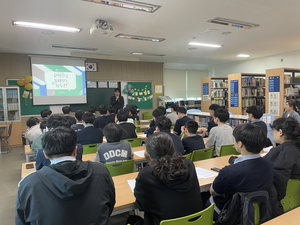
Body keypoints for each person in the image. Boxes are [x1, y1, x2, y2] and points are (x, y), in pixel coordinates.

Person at [16, 127, 115, 225]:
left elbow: (21, 221)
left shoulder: (28, 184)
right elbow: (109, 205)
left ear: (45, 154)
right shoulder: (101, 170)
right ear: (76, 150)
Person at [134, 132, 203, 225]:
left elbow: (141, 205)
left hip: (163, 222)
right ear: (172, 148)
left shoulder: (146, 174)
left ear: (149, 154)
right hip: (196, 222)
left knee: (132, 219)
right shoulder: (188, 164)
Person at [209, 123, 273, 216]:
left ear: (240, 144)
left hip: (230, 213)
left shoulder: (229, 171)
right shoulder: (269, 165)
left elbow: (213, 192)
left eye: (234, 139)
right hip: (259, 211)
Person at [264, 117, 300, 201]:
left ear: (280, 132)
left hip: (280, 199)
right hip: (295, 199)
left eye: (273, 131)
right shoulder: (295, 148)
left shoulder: (282, 151)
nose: (273, 133)